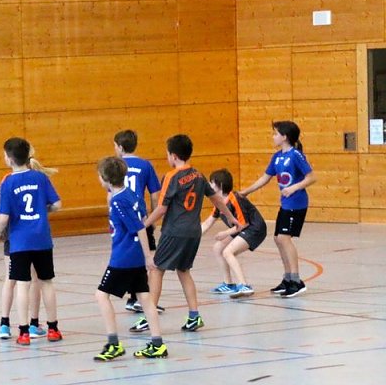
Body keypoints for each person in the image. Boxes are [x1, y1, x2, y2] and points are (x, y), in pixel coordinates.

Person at [129, 134, 238, 336]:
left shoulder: (171, 177)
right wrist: (231, 217)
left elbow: (161, 208)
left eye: (167, 154)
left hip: (174, 231)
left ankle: (148, 316)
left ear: (174, 155)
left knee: (156, 270)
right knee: (183, 270)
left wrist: (143, 224)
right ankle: (194, 315)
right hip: (193, 232)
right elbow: (217, 199)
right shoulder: (198, 175)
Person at [94, 157, 165, 361]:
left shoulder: (118, 201)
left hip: (124, 257)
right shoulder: (133, 193)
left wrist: (148, 256)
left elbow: (140, 227)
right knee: (144, 297)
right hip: (134, 255)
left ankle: (113, 343)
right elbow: (143, 218)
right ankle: (157, 343)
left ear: (105, 178)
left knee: (101, 295)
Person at [0, 137, 62, 346]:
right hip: (42, 239)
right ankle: (53, 328)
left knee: (22, 285)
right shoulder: (40, 178)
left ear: (9, 159)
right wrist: (43, 210)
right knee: (46, 282)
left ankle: (24, 332)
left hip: (20, 242)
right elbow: (57, 204)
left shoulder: (8, 182)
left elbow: (4, 216)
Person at [239, 121, 316, 298]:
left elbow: (311, 177)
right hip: (285, 204)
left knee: (284, 238)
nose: (273, 137)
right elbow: (265, 178)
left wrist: (294, 188)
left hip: (296, 203)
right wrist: (246, 191)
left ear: (285, 137)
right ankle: (287, 278)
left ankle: (296, 281)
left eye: (275, 134)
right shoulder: (277, 157)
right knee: (278, 239)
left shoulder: (296, 155)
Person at [112, 130, 161, 313]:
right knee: (150, 258)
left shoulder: (116, 165)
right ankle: (143, 298)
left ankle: (134, 298)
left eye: (115, 146)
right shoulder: (145, 165)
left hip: (122, 219)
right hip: (140, 218)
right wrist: (153, 217)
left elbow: (110, 194)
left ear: (120, 147)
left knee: (129, 254)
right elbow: (155, 194)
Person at [202, 169, 268, 299]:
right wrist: (192, 236)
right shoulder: (218, 202)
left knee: (228, 252)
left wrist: (225, 232)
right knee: (218, 248)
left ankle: (244, 285)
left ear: (220, 185)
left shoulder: (235, 199)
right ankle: (228, 284)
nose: (209, 185)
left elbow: (243, 224)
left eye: (212, 182)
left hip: (255, 228)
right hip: (241, 228)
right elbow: (208, 223)